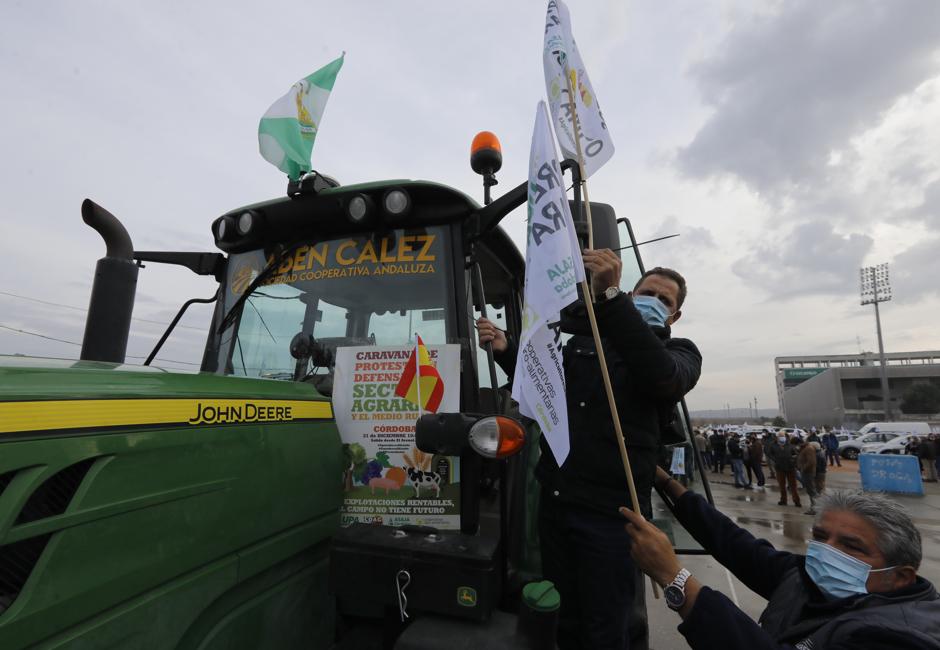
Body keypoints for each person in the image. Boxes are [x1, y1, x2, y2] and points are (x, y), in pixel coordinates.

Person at [477, 258, 702, 650]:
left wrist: (612, 300)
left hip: (613, 518)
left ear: (675, 314)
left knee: (606, 627)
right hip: (559, 504)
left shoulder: (681, 352)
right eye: (647, 293)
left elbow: (662, 377)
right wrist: (506, 349)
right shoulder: (586, 342)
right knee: (562, 618)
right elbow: (545, 391)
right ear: (635, 293)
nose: (653, 301)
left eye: (663, 300)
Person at [620, 467, 940, 650]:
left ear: (900, 577)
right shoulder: (807, 581)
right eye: (820, 537)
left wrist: (675, 578)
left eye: (851, 546)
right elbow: (736, 544)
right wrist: (666, 483)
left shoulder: (898, 638)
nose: (827, 551)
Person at [770, 433, 801, 508]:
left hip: (790, 468)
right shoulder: (774, 446)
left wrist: (793, 460)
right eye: (780, 437)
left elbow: (796, 454)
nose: (782, 438)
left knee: (793, 485)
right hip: (779, 468)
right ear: (777, 438)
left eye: (783, 436)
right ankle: (783, 500)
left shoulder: (790, 445)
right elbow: (770, 454)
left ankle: (797, 501)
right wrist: (775, 460)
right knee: (782, 485)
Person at [796, 439, 818, 515]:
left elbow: (811, 461)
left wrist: (803, 469)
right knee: (810, 490)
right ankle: (815, 507)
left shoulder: (808, 449)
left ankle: (815, 508)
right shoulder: (806, 448)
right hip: (807, 472)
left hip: (808, 472)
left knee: (811, 491)